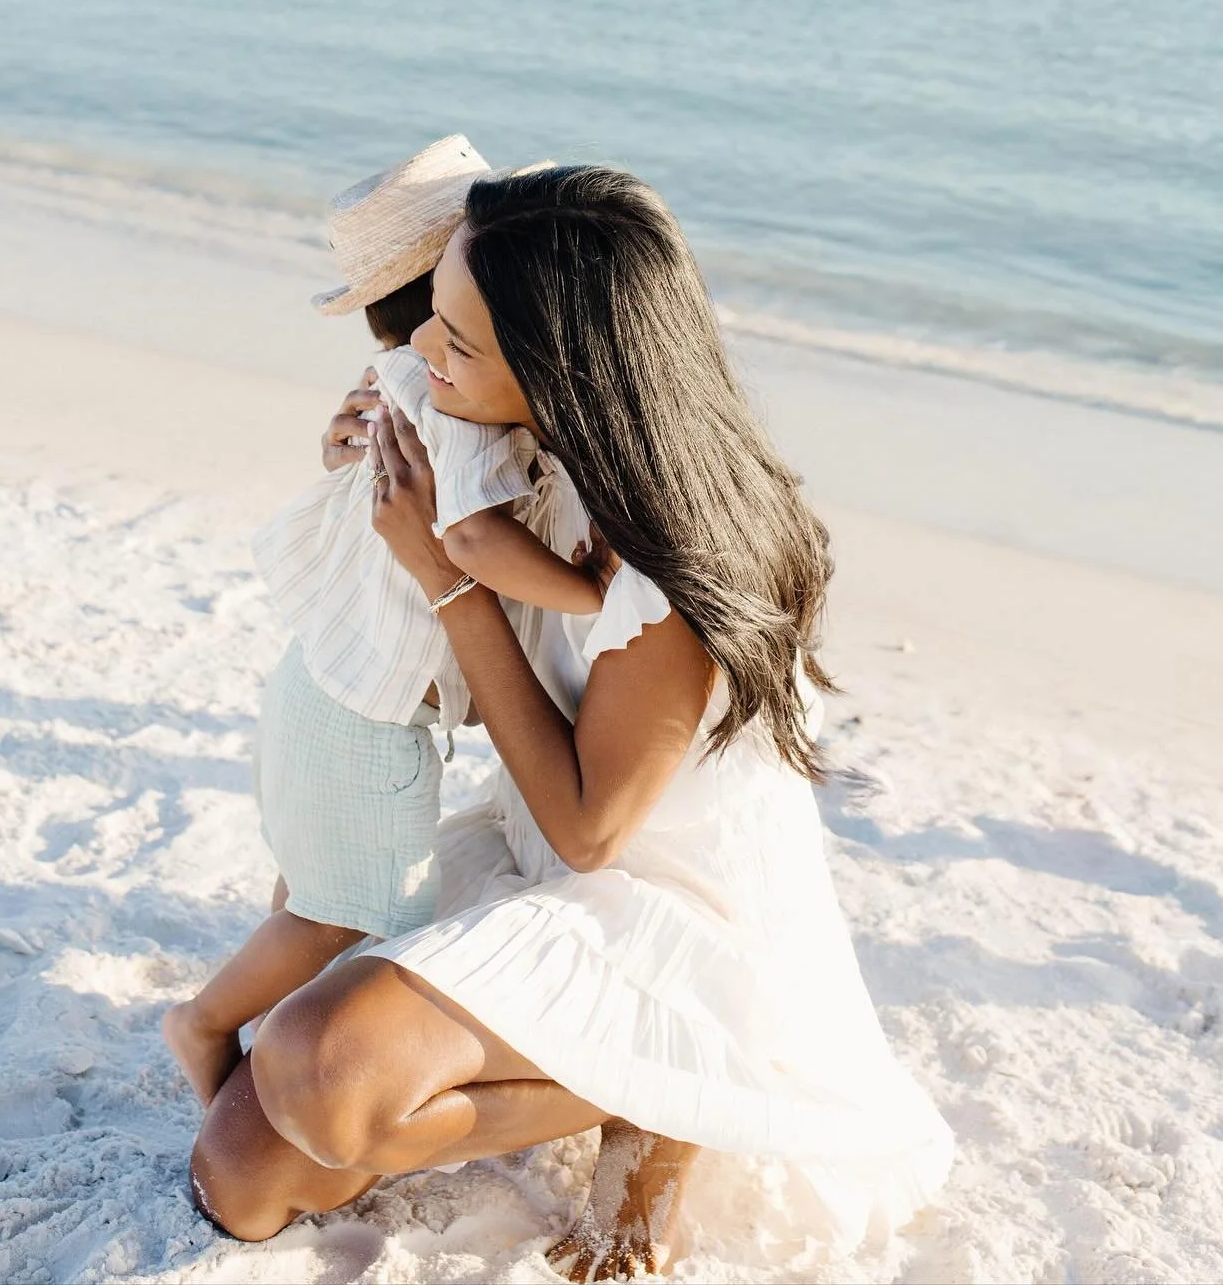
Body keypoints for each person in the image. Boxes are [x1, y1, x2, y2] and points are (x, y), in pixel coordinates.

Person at [189, 165, 954, 1275]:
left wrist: (453, 582)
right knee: (240, 1177)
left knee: (321, 1071)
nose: (422, 360)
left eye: (456, 343)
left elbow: (596, 832)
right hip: (533, 854)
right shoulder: (514, 446)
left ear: (559, 368)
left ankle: (677, 1094)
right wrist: (360, 464)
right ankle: (608, 1078)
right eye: (430, 326)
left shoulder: (681, 549)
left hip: (667, 919)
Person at [164, 138, 603, 1108]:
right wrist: (596, 594)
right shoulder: (461, 401)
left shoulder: (400, 377)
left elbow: (353, 474)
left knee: (315, 882)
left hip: (320, 679)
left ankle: (271, 1018)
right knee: (359, 909)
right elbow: (476, 543)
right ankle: (202, 1022)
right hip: (368, 715)